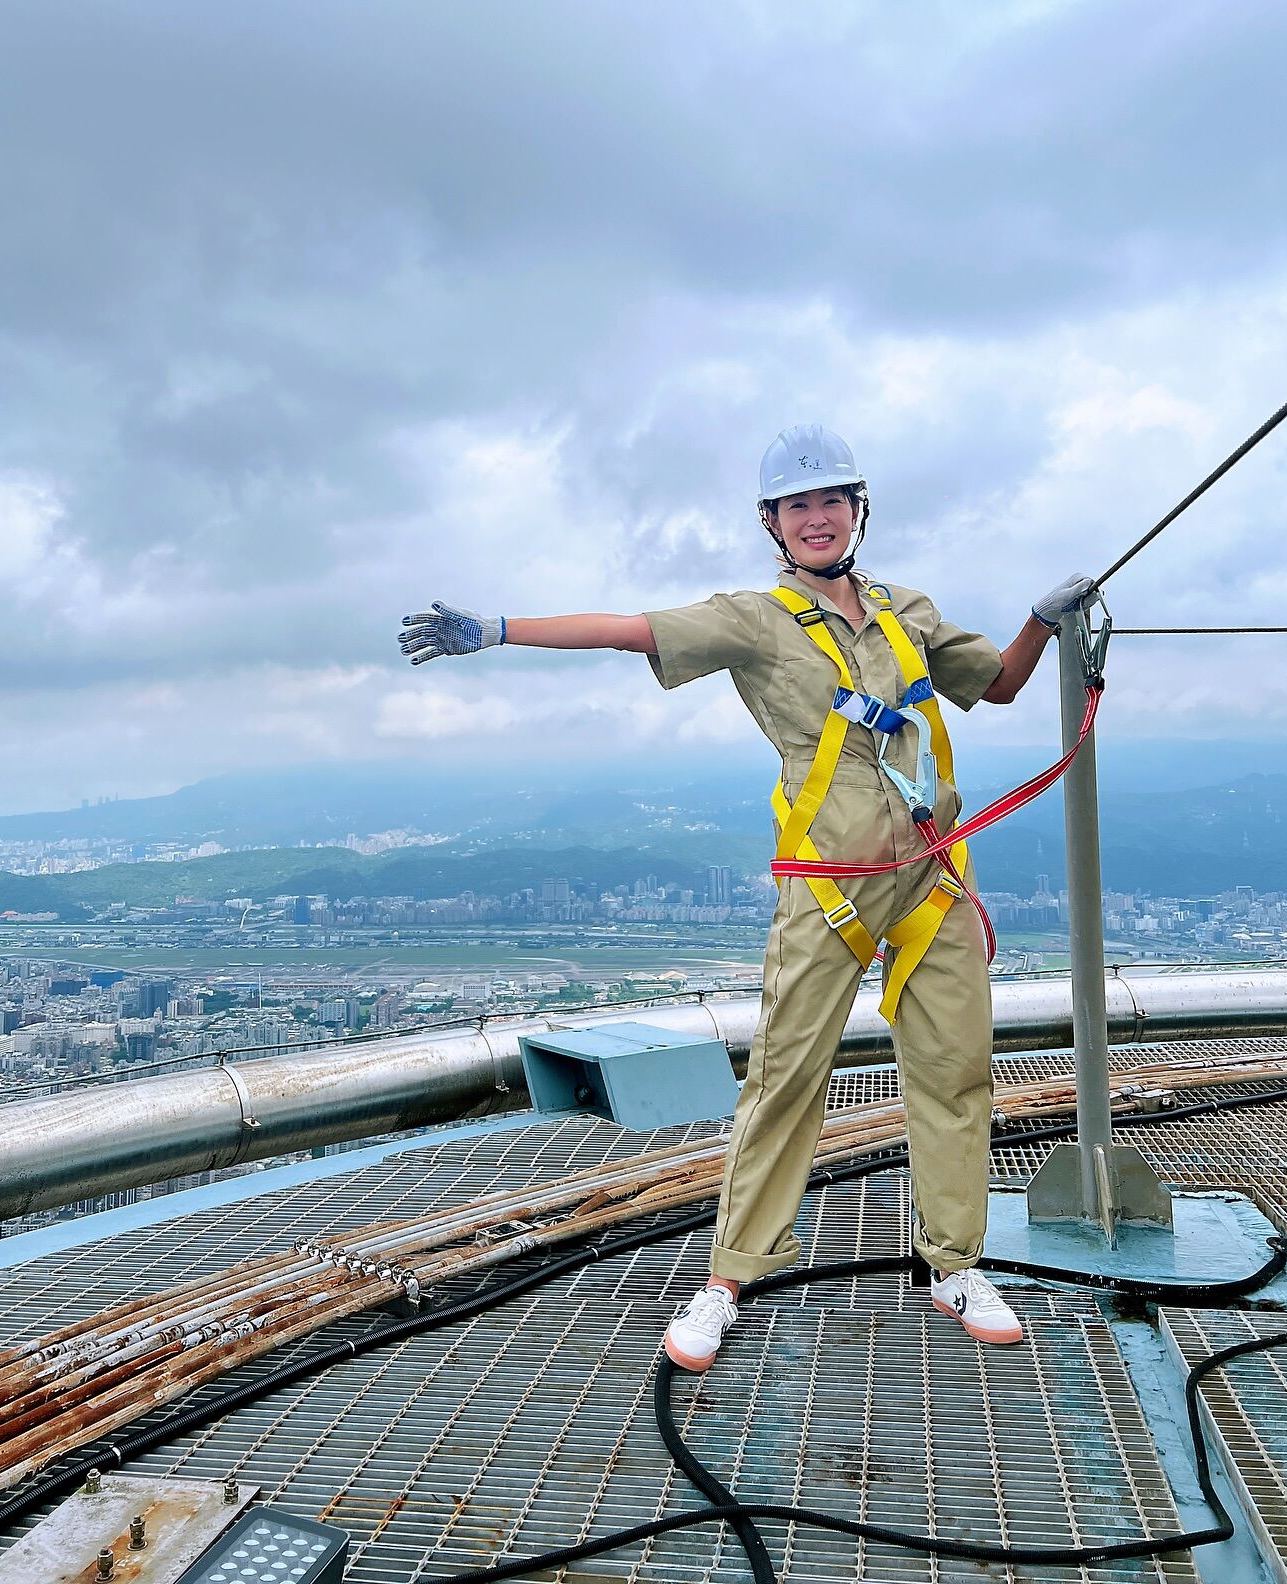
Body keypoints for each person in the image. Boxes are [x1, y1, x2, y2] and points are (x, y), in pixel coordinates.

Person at [398, 423, 1094, 1366]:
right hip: (831, 892)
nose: (817, 518)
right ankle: (729, 1276)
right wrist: (498, 629)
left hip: (932, 878)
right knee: (784, 1079)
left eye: (832, 501)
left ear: (858, 511)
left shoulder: (910, 613)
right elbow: (632, 629)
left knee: (955, 1070)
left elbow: (1001, 687)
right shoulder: (754, 619)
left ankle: (953, 1263)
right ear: (773, 521)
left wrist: (1045, 621)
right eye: (798, 505)